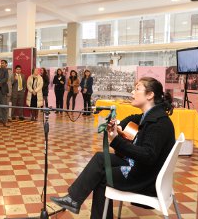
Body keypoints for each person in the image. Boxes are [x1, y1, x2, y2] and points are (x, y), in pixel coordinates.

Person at [50, 77, 175, 219]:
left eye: (137, 89)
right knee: (100, 158)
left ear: (150, 95)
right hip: (143, 169)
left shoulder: (158, 124)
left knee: (101, 176)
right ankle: (72, 199)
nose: (132, 92)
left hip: (145, 179)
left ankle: (76, 201)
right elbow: (134, 118)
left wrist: (116, 140)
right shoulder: (152, 115)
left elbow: (147, 155)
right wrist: (120, 125)